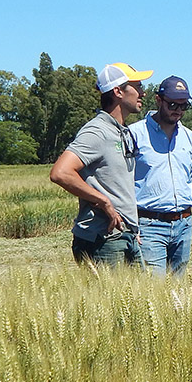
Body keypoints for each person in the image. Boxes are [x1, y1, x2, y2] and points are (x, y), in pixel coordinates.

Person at [49, 62, 151, 267]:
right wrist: (103, 201)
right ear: (118, 92)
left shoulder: (122, 131)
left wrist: (132, 227)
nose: (143, 93)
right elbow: (60, 172)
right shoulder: (97, 131)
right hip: (104, 238)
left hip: (126, 235)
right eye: (137, 86)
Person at [129, 75, 192, 276]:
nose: (178, 110)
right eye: (173, 104)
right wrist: (131, 225)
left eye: (184, 106)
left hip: (184, 223)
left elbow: (189, 178)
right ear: (159, 100)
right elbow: (123, 181)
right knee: (154, 288)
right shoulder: (134, 134)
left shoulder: (190, 138)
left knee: (179, 290)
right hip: (149, 224)